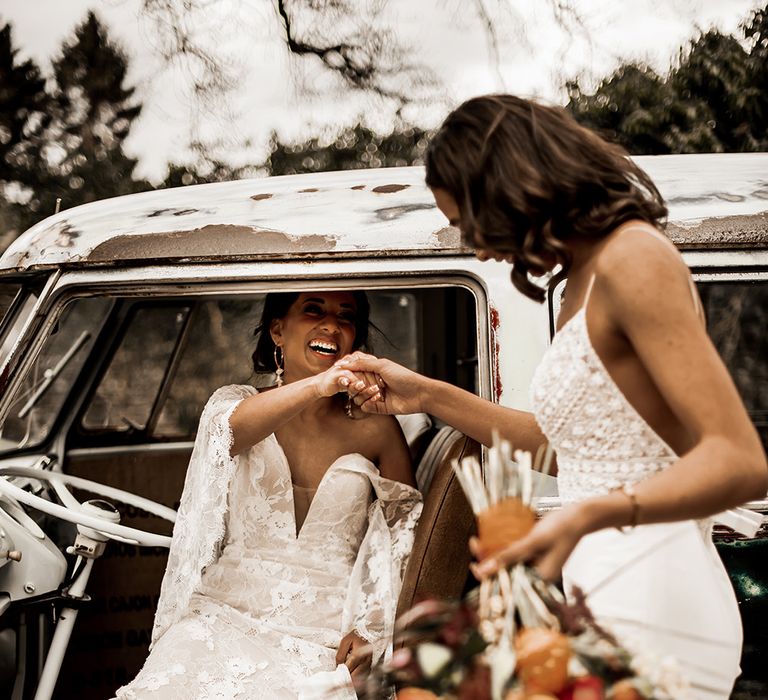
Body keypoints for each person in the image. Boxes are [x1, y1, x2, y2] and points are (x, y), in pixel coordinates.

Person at [338, 94, 768, 699]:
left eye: (469, 223)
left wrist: (587, 515)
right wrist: (426, 394)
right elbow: (564, 448)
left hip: (658, 594)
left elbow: (739, 462)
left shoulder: (635, 259)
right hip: (599, 589)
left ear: (510, 186)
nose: (476, 249)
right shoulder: (574, 285)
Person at [115, 290, 421, 700]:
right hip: (224, 615)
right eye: (313, 309)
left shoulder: (378, 428)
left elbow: (403, 537)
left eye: (346, 317)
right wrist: (317, 385)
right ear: (278, 330)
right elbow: (228, 437)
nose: (331, 324)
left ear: (355, 341)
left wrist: (371, 626)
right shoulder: (235, 405)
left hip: (327, 631)